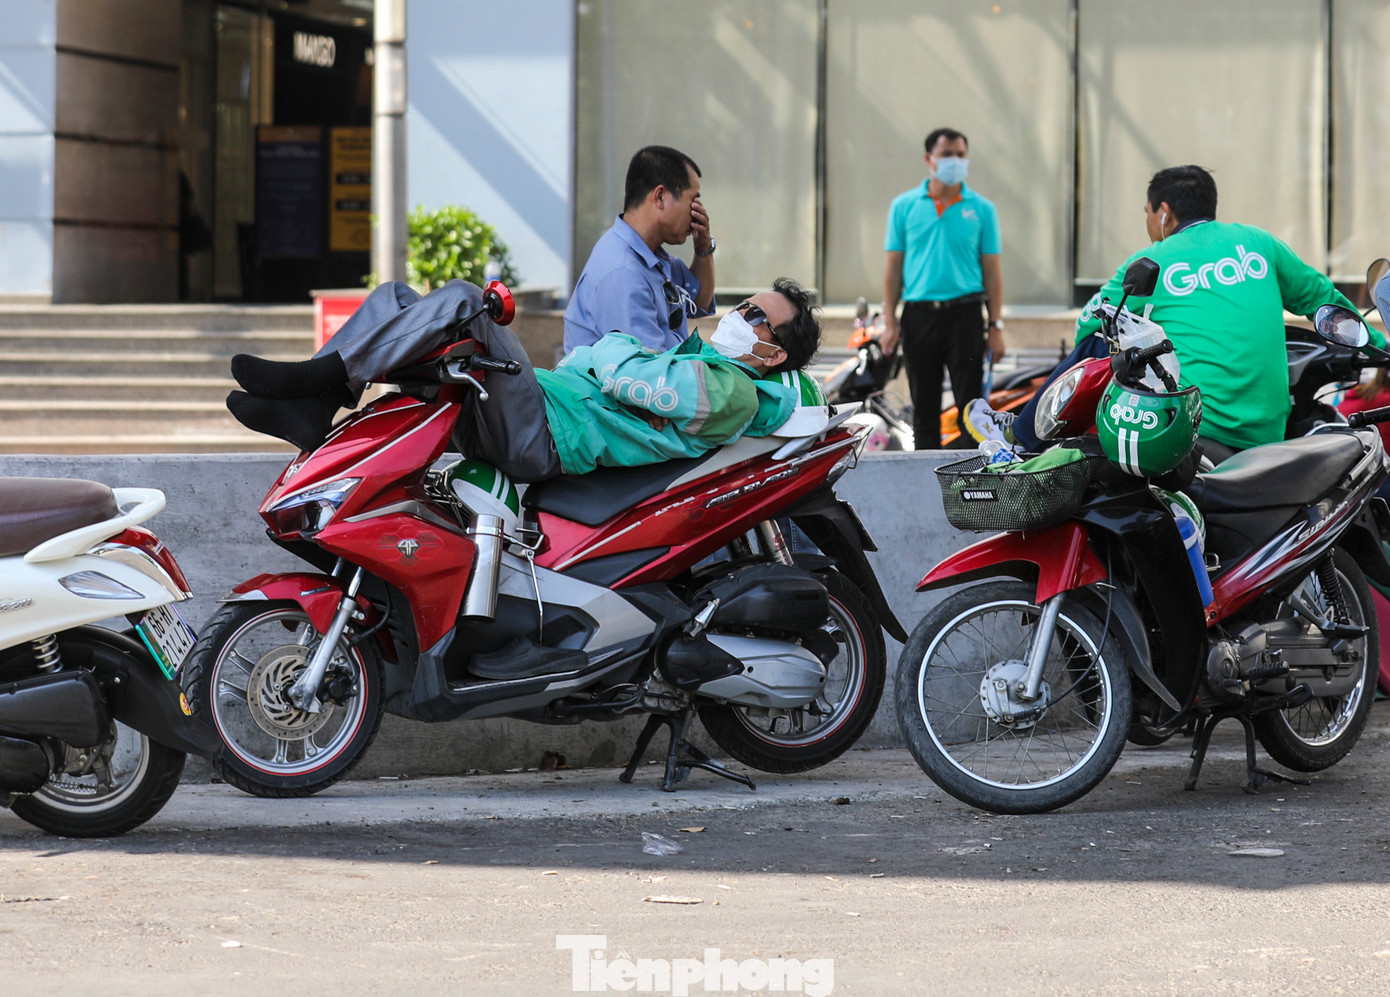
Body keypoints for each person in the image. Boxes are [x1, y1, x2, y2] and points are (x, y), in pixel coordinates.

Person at [226, 277, 823, 481]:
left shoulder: (733, 391)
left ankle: (322, 377)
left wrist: (611, 345)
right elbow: (613, 368)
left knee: (468, 301)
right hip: (536, 411)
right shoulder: (706, 365)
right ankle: (316, 406)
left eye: (756, 316)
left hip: (545, 434)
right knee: (395, 297)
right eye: (746, 303)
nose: (740, 313)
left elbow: (621, 375)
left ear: (773, 354)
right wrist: (609, 355)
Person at [972, 164, 1386, 458]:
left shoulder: (1153, 260)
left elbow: (1087, 324)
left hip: (1197, 431)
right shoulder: (1260, 244)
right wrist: (1381, 347)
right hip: (1269, 432)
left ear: (1164, 213)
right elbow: (1325, 301)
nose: (1149, 222)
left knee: (1099, 341)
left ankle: (1021, 437)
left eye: (1147, 213)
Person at [879, 127, 1004, 449]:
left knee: (970, 407)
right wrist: (890, 322)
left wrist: (996, 326)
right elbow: (893, 269)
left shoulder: (982, 209)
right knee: (924, 407)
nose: (955, 161)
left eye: (961, 154)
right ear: (929, 159)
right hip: (919, 316)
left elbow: (992, 272)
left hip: (966, 315)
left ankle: (969, 471)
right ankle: (926, 471)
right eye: (947, 154)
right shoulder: (904, 206)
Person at [563, 145, 716, 354]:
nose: (698, 211)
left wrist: (703, 247)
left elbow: (699, 301)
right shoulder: (623, 271)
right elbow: (649, 368)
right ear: (660, 197)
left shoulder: (653, 256)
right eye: (693, 200)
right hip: (647, 374)